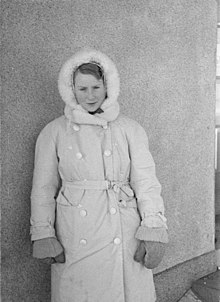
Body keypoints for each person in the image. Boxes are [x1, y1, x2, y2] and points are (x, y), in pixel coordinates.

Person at [30, 49, 168, 302]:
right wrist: (43, 232)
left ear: (109, 86)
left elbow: (146, 182)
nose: (90, 96)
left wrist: (153, 227)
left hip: (124, 230)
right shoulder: (53, 132)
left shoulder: (130, 129)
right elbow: (43, 188)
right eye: (82, 89)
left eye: (96, 87)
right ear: (71, 89)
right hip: (75, 230)